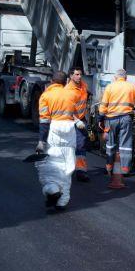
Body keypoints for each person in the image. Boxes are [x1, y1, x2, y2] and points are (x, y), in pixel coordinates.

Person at [35, 71, 80, 211]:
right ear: (66, 81)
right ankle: (62, 202)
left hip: (54, 132)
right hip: (69, 133)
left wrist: (41, 141)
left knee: (51, 166)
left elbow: (44, 121)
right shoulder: (72, 94)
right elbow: (76, 113)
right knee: (67, 168)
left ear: (52, 81)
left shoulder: (46, 96)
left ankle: (52, 189)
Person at [98, 69, 135, 175]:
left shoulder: (109, 87)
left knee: (110, 144)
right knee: (125, 144)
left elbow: (103, 105)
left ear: (115, 77)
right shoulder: (131, 87)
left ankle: (109, 167)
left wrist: (100, 118)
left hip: (111, 119)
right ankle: (125, 169)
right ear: (125, 78)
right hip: (125, 118)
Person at [65, 67, 90, 182]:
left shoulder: (83, 85)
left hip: (81, 119)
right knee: (71, 145)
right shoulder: (68, 91)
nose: (79, 77)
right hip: (71, 121)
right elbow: (67, 110)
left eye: (80, 74)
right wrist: (77, 121)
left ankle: (80, 171)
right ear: (71, 76)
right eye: (76, 75)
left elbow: (86, 97)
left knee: (81, 144)